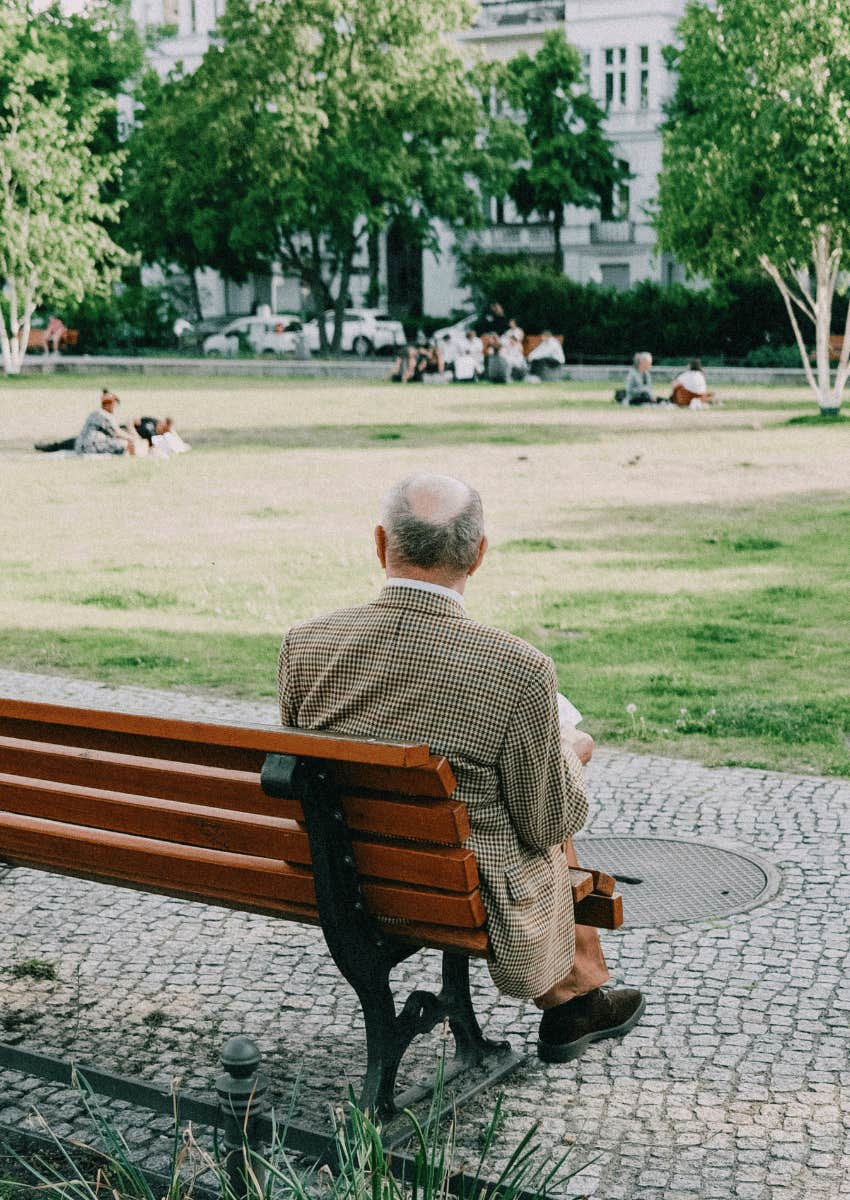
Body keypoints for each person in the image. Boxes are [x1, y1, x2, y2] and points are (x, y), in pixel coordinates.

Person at [277, 473, 645, 1062]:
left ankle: (578, 996)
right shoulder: (518, 668)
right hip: (461, 890)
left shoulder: (306, 643)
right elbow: (547, 823)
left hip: (344, 876)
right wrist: (570, 756)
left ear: (380, 545)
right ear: (478, 554)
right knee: (546, 800)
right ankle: (576, 1001)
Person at [73, 390, 136, 456]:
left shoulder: (95, 413)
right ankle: (133, 460)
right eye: (114, 404)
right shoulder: (105, 415)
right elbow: (118, 433)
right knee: (127, 443)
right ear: (109, 404)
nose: (115, 407)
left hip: (80, 447)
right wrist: (133, 438)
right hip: (91, 447)